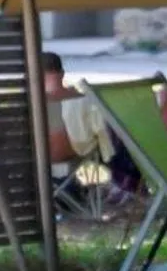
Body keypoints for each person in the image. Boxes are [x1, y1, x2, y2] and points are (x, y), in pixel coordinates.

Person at [41, 53, 142, 200]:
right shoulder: (83, 100)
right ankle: (129, 182)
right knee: (110, 136)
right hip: (79, 150)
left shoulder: (32, 102)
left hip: (44, 154)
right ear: (62, 73)